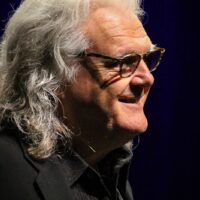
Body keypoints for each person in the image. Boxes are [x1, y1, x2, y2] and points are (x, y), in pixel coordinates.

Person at [0, 0, 165, 199]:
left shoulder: (110, 173)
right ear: (52, 73)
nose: (147, 77)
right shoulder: (7, 172)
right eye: (125, 61)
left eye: (147, 59)